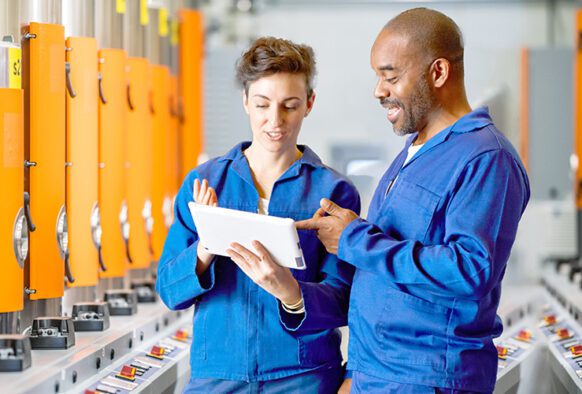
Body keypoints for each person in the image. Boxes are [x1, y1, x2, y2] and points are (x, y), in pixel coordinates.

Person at [297, 8, 530, 394]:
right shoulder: (413, 152)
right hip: (378, 374)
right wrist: (355, 373)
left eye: (390, 77)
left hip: (430, 379)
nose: (378, 90)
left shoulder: (486, 158)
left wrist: (355, 240)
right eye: (377, 77)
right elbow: (382, 281)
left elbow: (470, 269)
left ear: (438, 73)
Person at [156, 36, 361, 393]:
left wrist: (291, 292)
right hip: (218, 375)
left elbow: (345, 298)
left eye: (290, 106)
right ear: (246, 101)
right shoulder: (205, 183)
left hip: (301, 376)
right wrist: (206, 247)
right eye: (263, 104)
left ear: (309, 104)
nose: (274, 121)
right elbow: (170, 291)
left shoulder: (333, 192)